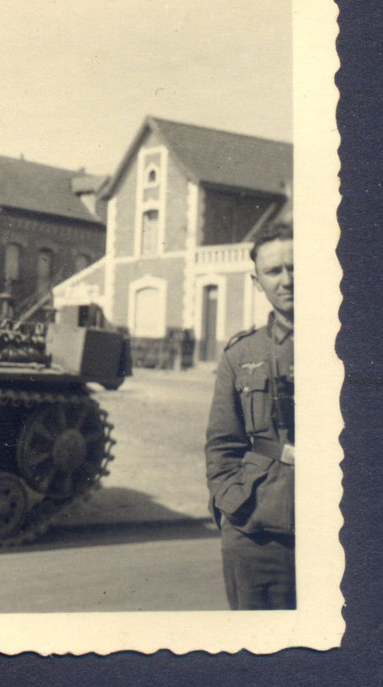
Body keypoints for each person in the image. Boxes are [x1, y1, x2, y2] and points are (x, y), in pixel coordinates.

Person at [205, 221, 295, 610]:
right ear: (257, 282)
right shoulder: (241, 354)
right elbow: (222, 445)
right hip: (259, 534)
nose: (288, 280)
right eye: (275, 271)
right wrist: (232, 506)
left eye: (297, 267)